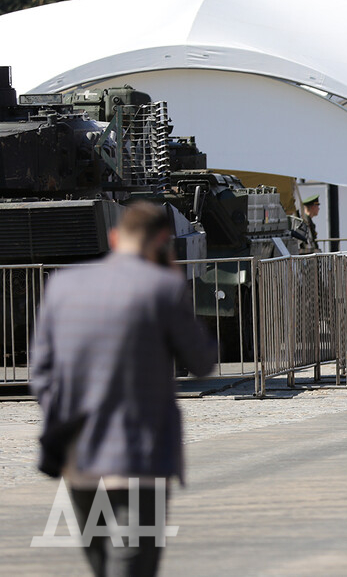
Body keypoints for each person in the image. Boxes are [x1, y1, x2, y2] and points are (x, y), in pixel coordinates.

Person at [31, 202, 217, 576]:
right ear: (164, 243)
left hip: (78, 455)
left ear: (114, 238)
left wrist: (65, 417)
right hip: (139, 458)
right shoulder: (162, 288)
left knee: (103, 564)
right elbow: (201, 362)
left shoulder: (62, 285)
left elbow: (41, 373)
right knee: (132, 565)